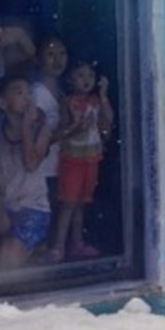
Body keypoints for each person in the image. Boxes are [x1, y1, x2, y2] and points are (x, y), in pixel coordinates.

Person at [48, 60, 114, 261]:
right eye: (80, 75)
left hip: (91, 159)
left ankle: (76, 244)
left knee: (80, 204)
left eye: (90, 76)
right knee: (68, 203)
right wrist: (76, 125)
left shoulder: (95, 101)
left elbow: (107, 121)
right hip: (72, 160)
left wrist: (103, 96)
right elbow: (64, 129)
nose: (86, 80)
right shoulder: (68, 102)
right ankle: (58, 246)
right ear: (70, 79)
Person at [0, 74, 51, 268]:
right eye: (19, 92)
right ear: (2, 103)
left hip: (33, 208)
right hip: (4, 206)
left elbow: (31, 163)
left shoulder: (41, 129)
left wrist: (25, 126)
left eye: (29, 93)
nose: (28, 98)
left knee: (9, 251)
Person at [31, 35, 68, 213]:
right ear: (38, 59)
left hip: (61, 166)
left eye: (62, 53)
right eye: (51, 54)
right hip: (45, 171)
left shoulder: (61, 92)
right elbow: (37, 140)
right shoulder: (37, 94)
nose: (58, 60)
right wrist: (70, 129)